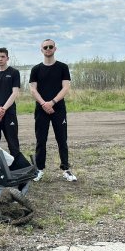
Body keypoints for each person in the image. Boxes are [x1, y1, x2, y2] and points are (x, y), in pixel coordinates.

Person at [29, 39, 75, 182]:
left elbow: (66, 87)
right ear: (41, 50)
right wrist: (44, 103)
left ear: (55, 49)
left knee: (62, 140)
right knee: (40, 140)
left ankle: (66, 169)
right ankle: (39, 170)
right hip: (41, 109)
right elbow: (32, 89)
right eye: (45, 47)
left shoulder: (63, 67)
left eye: (50, 47)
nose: (48, 49)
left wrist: (53, 102)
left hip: (58, 109)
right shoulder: (36, 69)